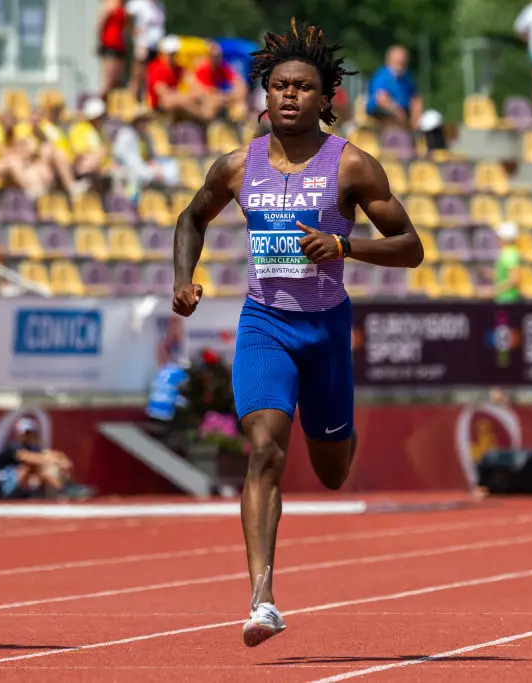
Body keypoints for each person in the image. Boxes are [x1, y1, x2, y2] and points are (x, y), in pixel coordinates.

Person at [171, 18, 424, 647]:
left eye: (302, 87)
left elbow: (411, 247)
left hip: (326, 329)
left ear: (325, 98)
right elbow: (190, 218)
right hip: (265, 323)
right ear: (265, 95)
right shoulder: (236, 166)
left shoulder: (354, 167)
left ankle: (337, 424)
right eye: (278, 85)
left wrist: (343, 244)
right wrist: (184, 279)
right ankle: (262, 599)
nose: (288, 95)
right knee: (265, 447)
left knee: (332, 469)